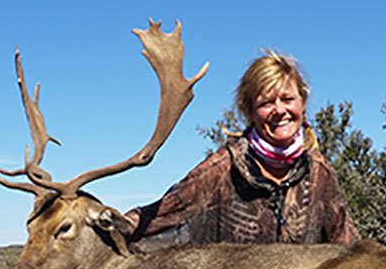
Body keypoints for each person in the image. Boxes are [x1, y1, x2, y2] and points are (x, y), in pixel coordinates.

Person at [125, 50, 360, 253]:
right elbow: (156, 218)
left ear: (303, 103)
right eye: (266, 103)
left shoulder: (319, 173)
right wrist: (105, 232)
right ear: (250, 111)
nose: (279, 110)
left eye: (288, 99)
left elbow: (348, 247)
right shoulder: (223, 168)